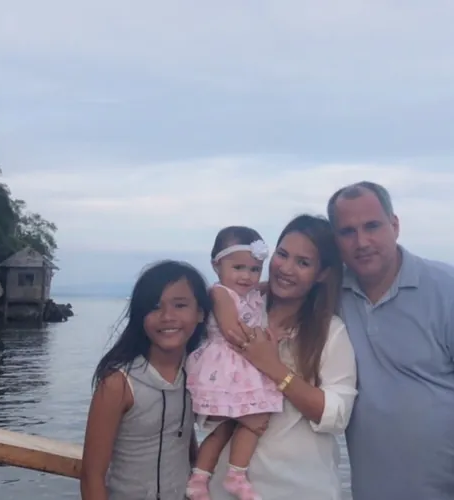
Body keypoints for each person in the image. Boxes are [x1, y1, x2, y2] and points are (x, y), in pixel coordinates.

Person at [208, 214, 358, 499]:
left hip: (299, 487)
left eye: (303, 263)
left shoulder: (329, 331)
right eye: (283, 254)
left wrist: (273, 367)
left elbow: (337, 415)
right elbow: (205, 395)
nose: (286, 269)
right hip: (225, 490)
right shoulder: (240, 313)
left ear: (322, 274)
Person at [326, 181, 454, 500]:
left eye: (372, 226)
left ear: (394, 226)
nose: (362, 242)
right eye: (347, 231)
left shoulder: (446, 288)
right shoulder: (328, 296)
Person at [80, 260, 212, 500]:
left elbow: (182, 439)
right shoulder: (118, 383)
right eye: (154, 307)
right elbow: (92, 477)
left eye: (180, 305)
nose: (167, 316)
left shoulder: (196, 375)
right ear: (140, 316)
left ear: (201, 313)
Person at [185, 226, 284, 500]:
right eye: (238, 267)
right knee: (244, 422)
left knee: (238, 425)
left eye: (255, 269)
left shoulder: (250, 293)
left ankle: (230, 476)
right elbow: (231, 331)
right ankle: (202, 478)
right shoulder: (220, 293)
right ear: (216, 266)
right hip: (226, 366)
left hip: (243, 366)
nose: (247, 276)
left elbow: (273, 287)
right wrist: (266, 341)